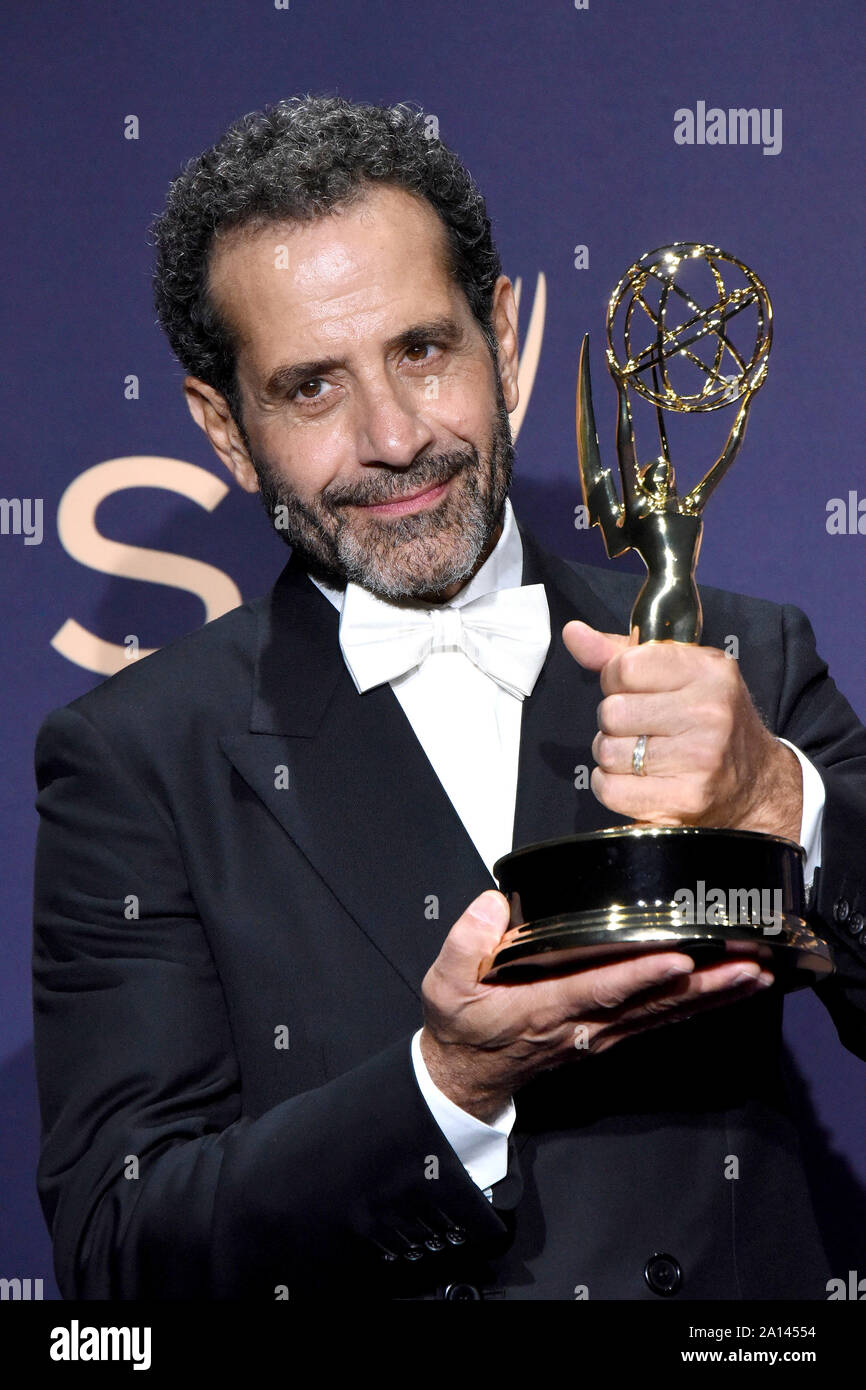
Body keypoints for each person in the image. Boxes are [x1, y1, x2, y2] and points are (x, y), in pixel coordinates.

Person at [32, 95, 866, 1301]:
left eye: (421, 351)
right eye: (310, 387)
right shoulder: (139, 758)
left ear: (504, 334)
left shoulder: (738, 654)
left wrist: (779, 802)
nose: (390, 437)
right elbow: (120, 1255)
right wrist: (446, 1086)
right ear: (225, 428)